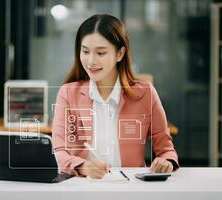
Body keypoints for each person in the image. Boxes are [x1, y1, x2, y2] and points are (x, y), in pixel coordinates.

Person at [52, 14, 179, 179]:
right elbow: (59, 151)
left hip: (131, 187)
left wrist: (165, 162)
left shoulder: (146, 93)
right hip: (83, 187)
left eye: (101, 53)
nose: (91, 61)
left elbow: (166, 150)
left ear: (120, 54)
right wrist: (84, 167)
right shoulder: (67, 93)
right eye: (85, 51)